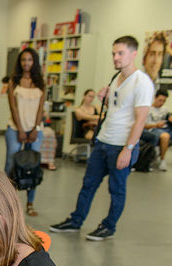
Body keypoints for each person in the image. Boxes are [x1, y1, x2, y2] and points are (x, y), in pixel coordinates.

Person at [50, 35, 154, 241]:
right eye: (114, 53)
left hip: (121, 146)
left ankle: (109, 226)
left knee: (116, 190)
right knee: (88, 184)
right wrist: (104, 96)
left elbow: (140, 120)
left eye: (120, 53)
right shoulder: (117, 78)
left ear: (133, 54)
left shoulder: (142, 82)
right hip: (104, 141)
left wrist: (128, 148)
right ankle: (75, 220)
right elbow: (116, 108)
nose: (115, 57)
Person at [4, 48, 46, 217]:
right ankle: (7, 202)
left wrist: (35, 129)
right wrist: (21, 129)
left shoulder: (41, 82)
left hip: (36, 130)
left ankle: (30, 203)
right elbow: (13, 107)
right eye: (23, 60)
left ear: (34, 62)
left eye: (29, 60)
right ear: (19, 62)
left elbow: (41, 108)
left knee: (32, 166)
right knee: (11, 163)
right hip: (15, 128)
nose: (26, 63)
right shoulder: (13, 81)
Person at [141, 89, 171, 171]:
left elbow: (168, 118)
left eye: (164, 101)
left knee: (166, 134)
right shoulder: (148, 109)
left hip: (164, 128)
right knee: (165, 136)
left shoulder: (165, 109)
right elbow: (144, 126)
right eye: (160, 100)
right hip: (152, 129)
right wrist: (156, 125)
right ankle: (162, 160)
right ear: (155, 98)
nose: (161, 103)